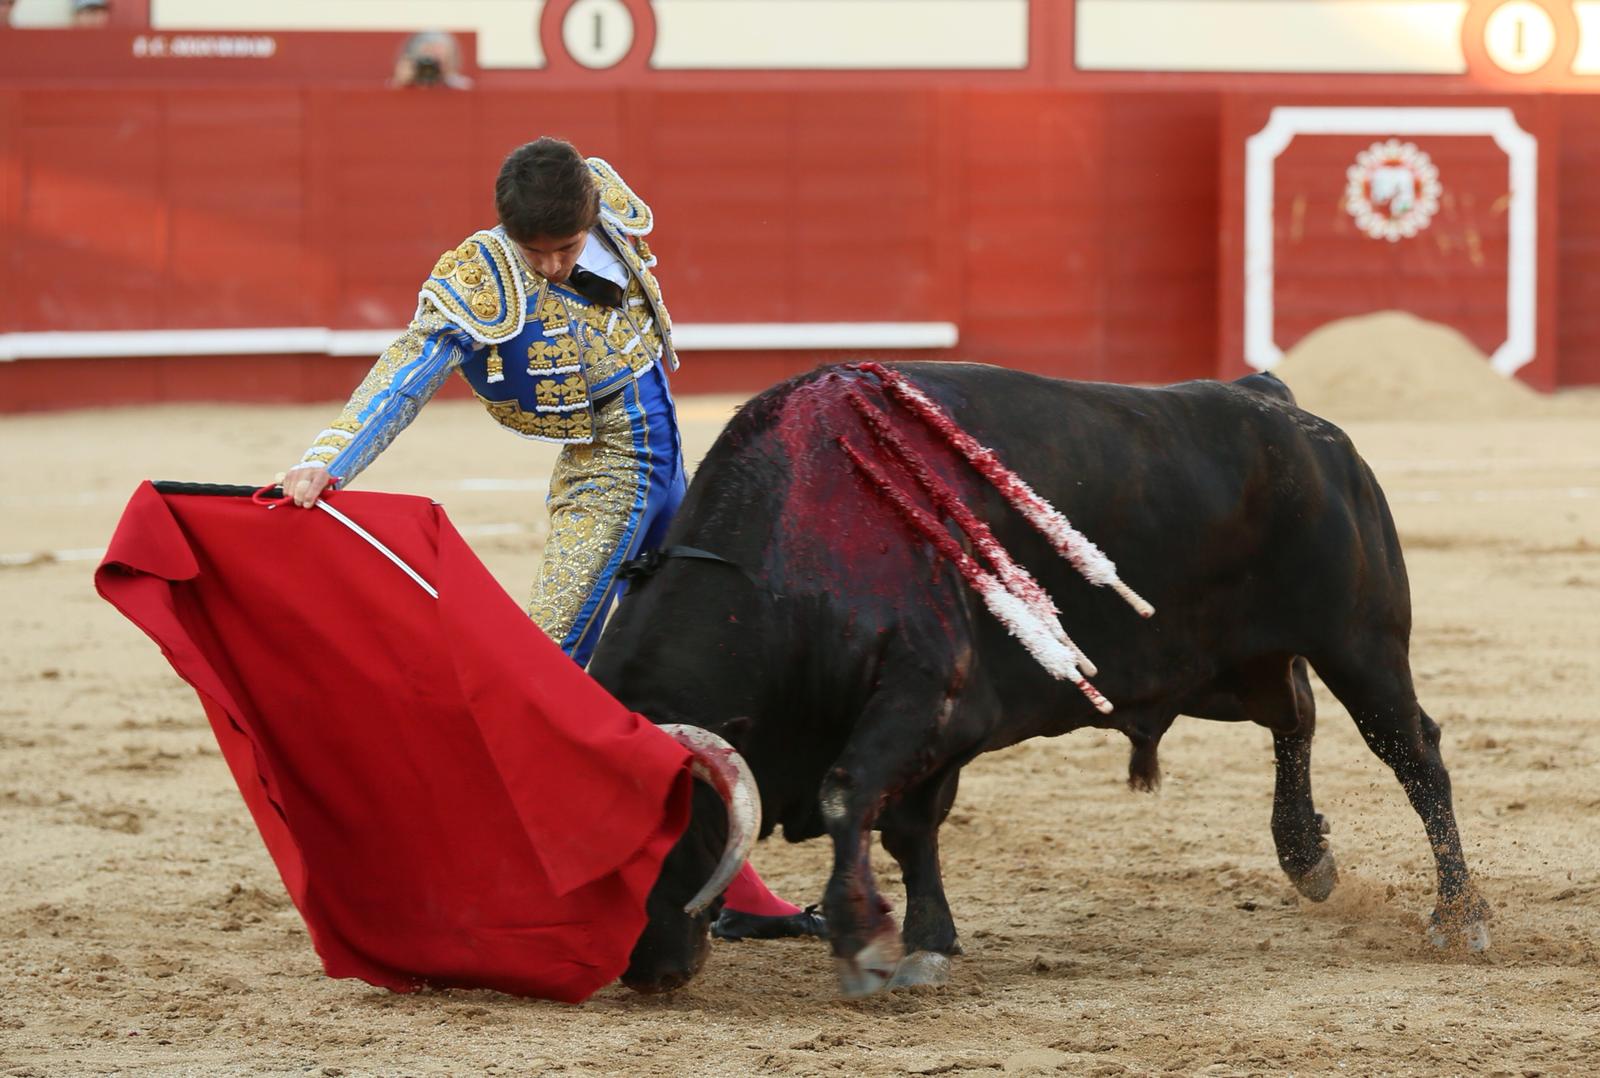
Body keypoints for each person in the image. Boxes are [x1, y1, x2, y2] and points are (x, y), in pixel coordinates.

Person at [278, 137, 822, 942]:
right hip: (608, 480)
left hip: (679, 479)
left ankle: (727, 886)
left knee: (697, 675)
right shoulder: (483, 274)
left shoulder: (603, 197)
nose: (553, 269)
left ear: (590, 216)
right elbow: (411, 365)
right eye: (536, 254)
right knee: (542, 673)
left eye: (565, 248)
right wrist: (328, 460)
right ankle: (467, 875)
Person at [390, 30, 473, 90]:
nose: (430, 68)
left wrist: (449, 80)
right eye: (426, 60)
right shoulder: (401, 84)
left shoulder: (460, 85)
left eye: (438, 61)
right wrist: (399, 83)